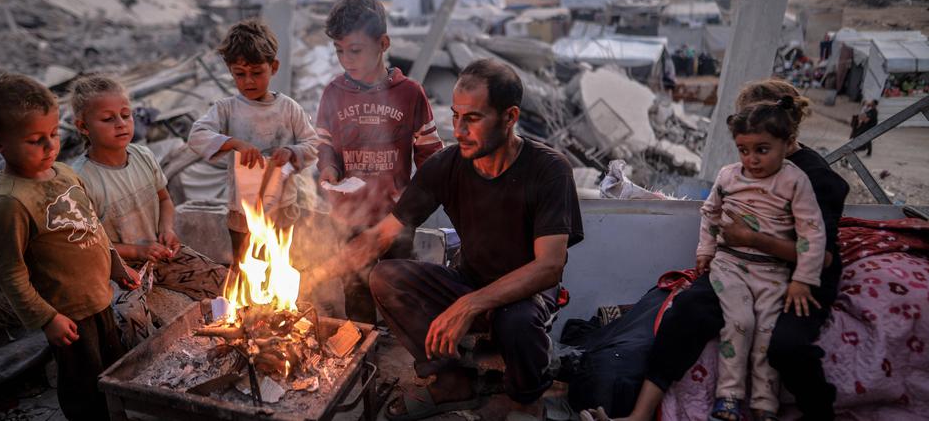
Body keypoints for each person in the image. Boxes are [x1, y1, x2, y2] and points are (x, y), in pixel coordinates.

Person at [311, 58, 583, 421]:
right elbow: (381, 236)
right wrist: (312, 274)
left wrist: (469, 304)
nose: (458, 129)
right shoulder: (447, 165)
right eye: (455, 116)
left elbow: (549, 267)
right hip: (467, 280)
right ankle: (452, 380)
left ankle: (525, 399)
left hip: (525, 294)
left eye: (472, 118)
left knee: (515, 321)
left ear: (510, 116)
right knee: (385, 277)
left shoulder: (549, 170)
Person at [597, 79, 849, 421]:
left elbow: (825, 256)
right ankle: (638, 415)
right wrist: (710, 249)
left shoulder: (815, 179)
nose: (749, 151)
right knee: (687, 311)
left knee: (787, 347)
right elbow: (713, 213)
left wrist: (754, 240)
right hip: (740, 266)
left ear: (785, 130)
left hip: (796, 275)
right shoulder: (740, 171)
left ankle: (821, 413)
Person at [0, 74, 140, 420]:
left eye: (53, 135)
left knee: (112, 370)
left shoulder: (65, 173)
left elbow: (92, 226)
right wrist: (48, 318)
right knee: (82, 385)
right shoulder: (11, 202)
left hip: (100, 298)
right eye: (36, 140)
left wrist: (116, 267)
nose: (50, 147)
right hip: (68, 314)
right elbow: (8, 273)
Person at [69, 75, 228, 347]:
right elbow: (89, 246)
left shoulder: (143, 156)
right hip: (117, 268)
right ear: (83, 126)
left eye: (126, 115)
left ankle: (228, 336)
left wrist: (167, 229)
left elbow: (165, 199)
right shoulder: (80, 179)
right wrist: (136, 251)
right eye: (108, 119)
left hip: (159, 253)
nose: (121, 124)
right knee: (130, 318)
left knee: (221, 279)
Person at [696, 98, 826, 421]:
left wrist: (802, 280)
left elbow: (812, 232)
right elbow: (710, 213)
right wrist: (705, 252)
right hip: (730, 266)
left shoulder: (796, 181)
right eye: (743, 150)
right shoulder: (728, 177)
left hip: (773, 273)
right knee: (740, 323)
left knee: (768, 332)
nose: (751, 159)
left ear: (786, 144)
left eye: (762, 150)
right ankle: (728, 396)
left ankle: (765, 405)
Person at [316, 0, 443, 323]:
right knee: (355, 289)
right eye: (339, 51)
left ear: (383, 43)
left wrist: (417, 202)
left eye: (355, 50)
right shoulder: (333, 93)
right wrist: (329, 168)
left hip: (395, 217)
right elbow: (324, 144)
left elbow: (430, 155)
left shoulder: (410, 93)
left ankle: (404, 343)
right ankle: (360, 349)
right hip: (349, 215)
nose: (346, 60)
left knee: (400, 287)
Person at [188, 19, 320, 262]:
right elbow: (196, 136)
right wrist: (234, 143)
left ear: (274, 67)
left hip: (283, 207)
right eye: (240, 74)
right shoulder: (226, 109)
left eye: (257, 73)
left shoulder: (289, 108)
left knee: (278, 267)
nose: (248, 81)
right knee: (245, 268)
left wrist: (291, 151)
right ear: (230, 71)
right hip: (242, 211)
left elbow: (312, 145)